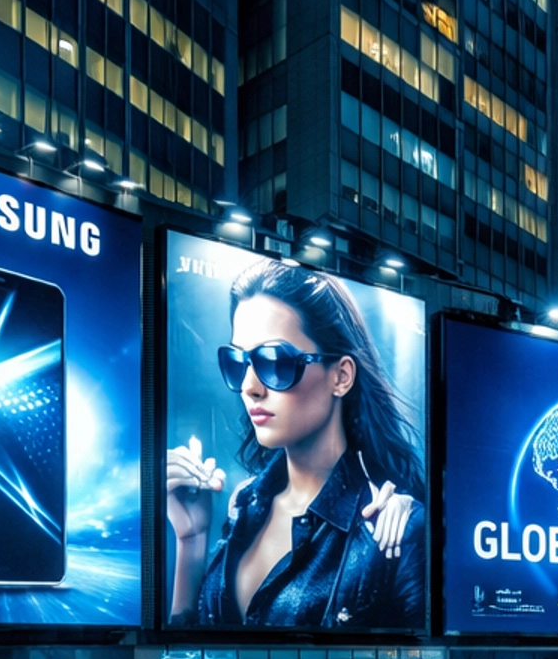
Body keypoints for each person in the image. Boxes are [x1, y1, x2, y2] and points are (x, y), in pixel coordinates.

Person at [166, 258, 425, 632]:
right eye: (238, 362)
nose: (249, 387)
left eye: (275, 362)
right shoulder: (244, 503)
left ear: (341, 376)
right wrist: (191, 539)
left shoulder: (390, 528)